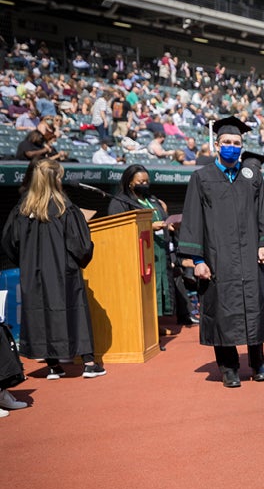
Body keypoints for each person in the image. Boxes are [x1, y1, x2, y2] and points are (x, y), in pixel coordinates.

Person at [177, 116, 264, 388]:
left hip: (249, 256)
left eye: (236, 143)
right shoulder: (202, 177)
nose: (232, 147)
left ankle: (258, 362)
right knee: (222, 311)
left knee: (253, 307)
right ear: (216, 144)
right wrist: (197, 260)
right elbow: (192, 218)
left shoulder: (252, 176)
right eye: (227, 142)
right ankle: (229, 367)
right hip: (217, 257)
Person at [1, 159, 106, 379]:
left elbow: (9, 242)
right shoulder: (64, 207)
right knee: (74, 311)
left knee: (40, 314)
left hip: (33, 274)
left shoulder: (22, 209)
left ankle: (53, 366)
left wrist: (27, 263)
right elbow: (80, 245)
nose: (61, 180)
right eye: (59, 176)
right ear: (54, 179)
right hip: (62, 272)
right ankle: (88, 363)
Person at [108, 165, 174, 320]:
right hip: (139, 255)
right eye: (140, 181)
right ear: (130, 182)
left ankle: (155, 325)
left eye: (147, 181)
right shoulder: (120, 202)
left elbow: (163, 217)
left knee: (159, 286)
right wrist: (149, 227)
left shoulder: (151, 199)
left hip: (159, 251)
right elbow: (119, 229)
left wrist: (169, 224)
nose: (144, 184)